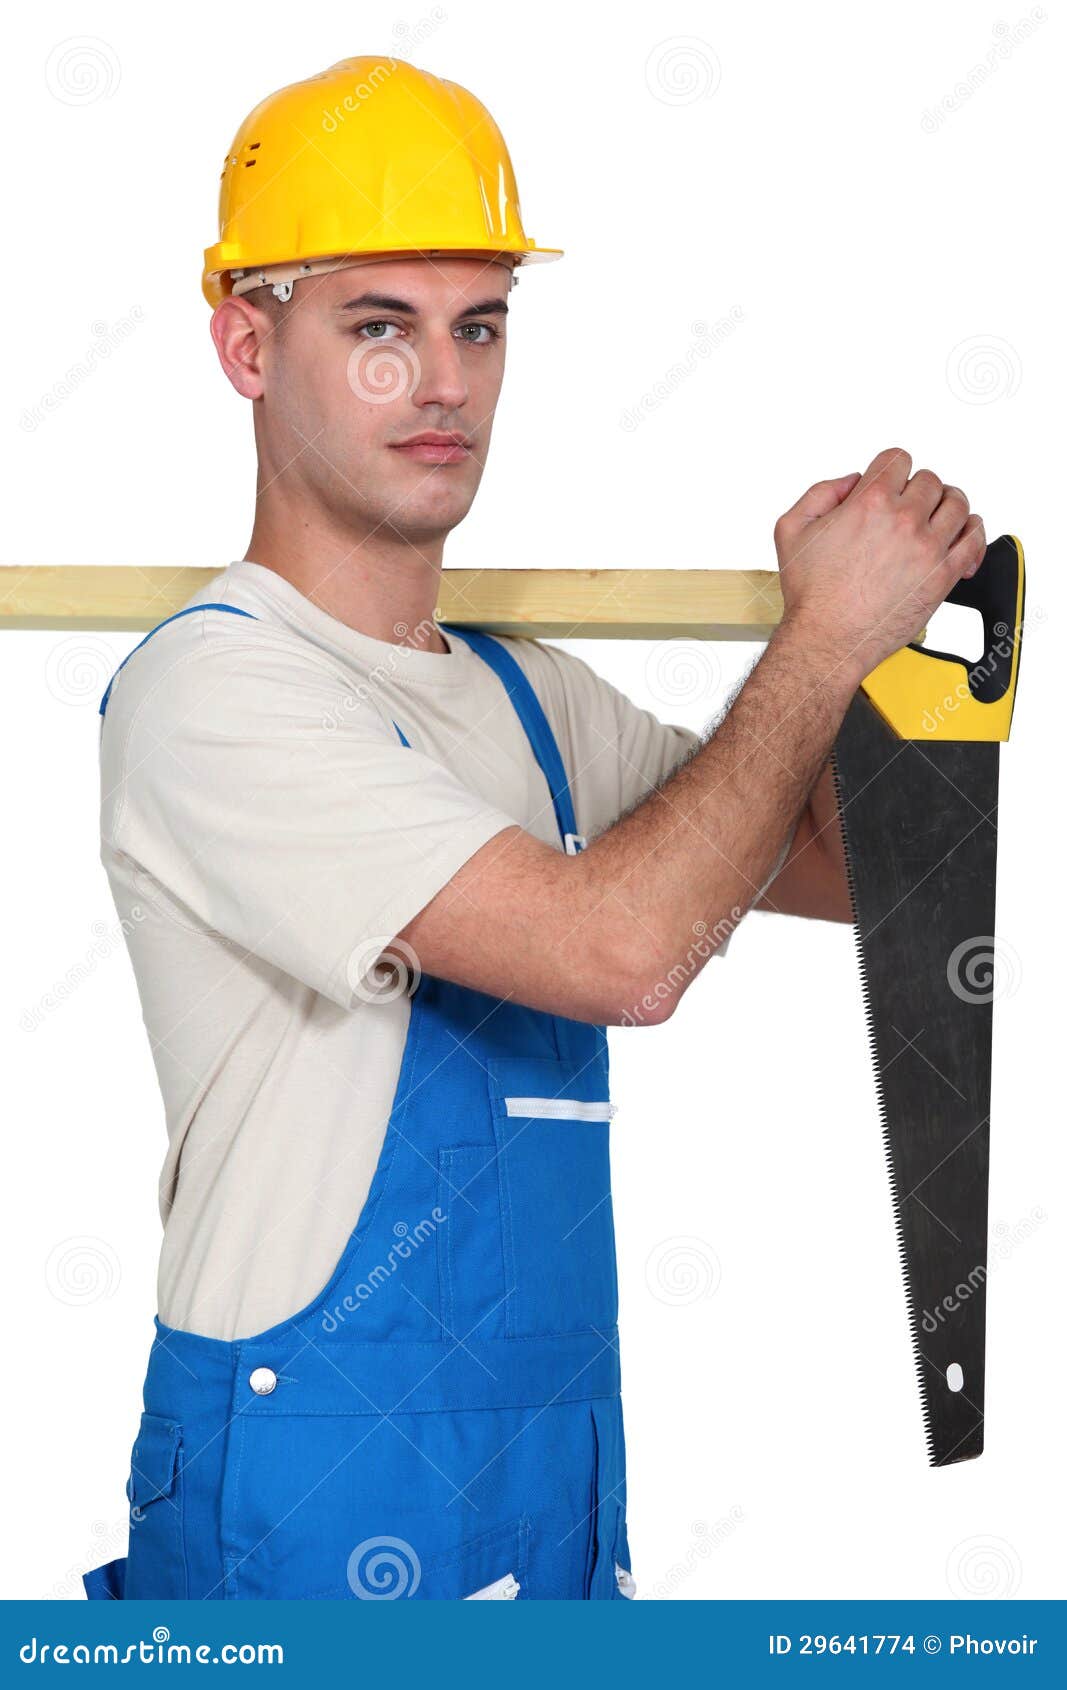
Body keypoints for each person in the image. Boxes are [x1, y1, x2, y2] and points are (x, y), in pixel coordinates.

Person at [83, 56, 985, 1602]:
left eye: (478, 326)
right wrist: (820, 644)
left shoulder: (528, 699)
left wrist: (878, 654)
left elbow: (861, 871)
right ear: (246, 341)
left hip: (546, 1505)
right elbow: (627, 949)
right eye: (381, 328)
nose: (444, 383)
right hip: (307, 1516)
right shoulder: (214, 693)